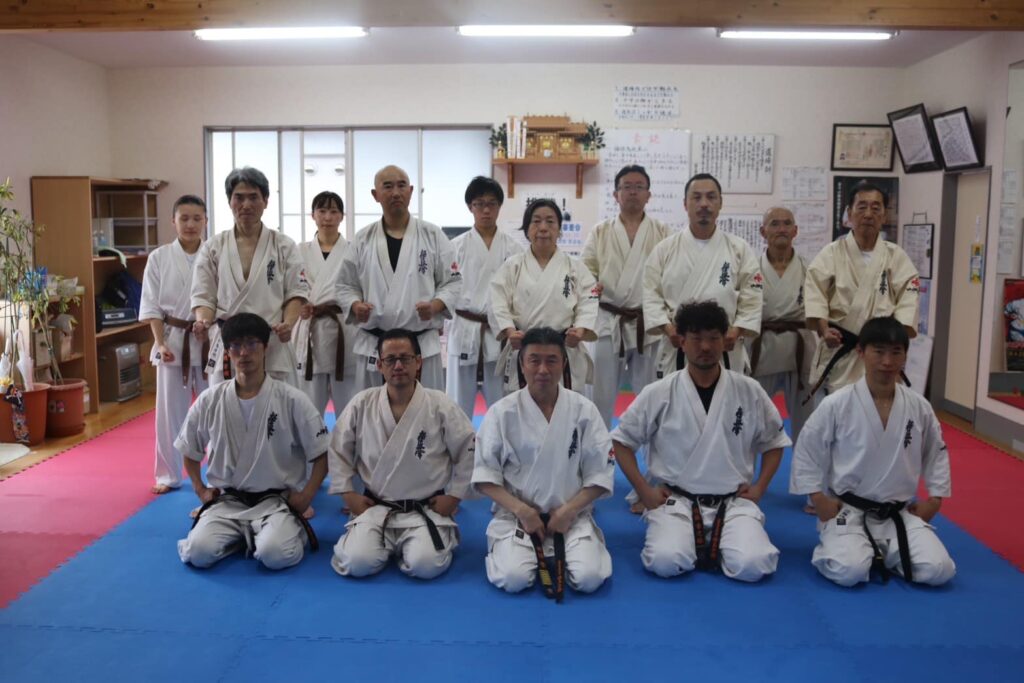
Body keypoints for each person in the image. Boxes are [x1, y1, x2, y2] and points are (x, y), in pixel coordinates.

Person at [612, 301, 791, 582]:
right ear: (681, 342)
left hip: (733, 502)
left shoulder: (749, 390)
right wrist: (644, 491)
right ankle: (699, 542)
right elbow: (622, 442)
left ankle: (717, 542)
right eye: (696, 338)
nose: (705, 347)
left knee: (754, 565)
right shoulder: (659, 392)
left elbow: (775, 442)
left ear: (725, 342)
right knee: (665, 561)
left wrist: (759, 488)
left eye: (713, 338)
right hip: (677, 502)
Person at [790, 316, 955, 587]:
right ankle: (861, 549)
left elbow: (936, 452)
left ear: (905, 355)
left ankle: (877, 551)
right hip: (849, 512)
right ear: (861, 352)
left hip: (899, 514)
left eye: (896, 352)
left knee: (939, 570)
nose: (887, 362)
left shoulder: (919, 406)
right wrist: (818, 498)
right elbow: (808, 448)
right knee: (848, 571)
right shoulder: (837, 403)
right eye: (878, 352)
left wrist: (935, 499)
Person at [175, 313, 329, 570]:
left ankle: (273, 534)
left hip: (275, 503)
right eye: (236, 345)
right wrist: (200, 489)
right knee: (197, 553)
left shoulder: (292, 399)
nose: (244, 352)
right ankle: (243, 537)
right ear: (227, 351)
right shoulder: (210, 399)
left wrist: (307, 496)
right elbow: (189, 449)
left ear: (265, 347)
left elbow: (321, 453)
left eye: (251, 344)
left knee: (274, 555)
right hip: (227, 502)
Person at [473, 327, 615, 599]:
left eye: (551, 361)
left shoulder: (584, 410)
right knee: (513, 579)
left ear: (563, 364)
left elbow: (600, 473)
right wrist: (522, 510)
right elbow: (484, 475)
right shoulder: (501, 413)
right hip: (517, 516)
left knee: (589, 578)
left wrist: (569, 510)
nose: (543, 369)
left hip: (571, 515)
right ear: (522, 365)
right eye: (534, 360)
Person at [328, 329, 476, 579]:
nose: (398, 366)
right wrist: (347, 493)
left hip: (425, 508)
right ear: (379, 365)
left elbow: (468, 449)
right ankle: (387, 543)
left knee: (425, 565)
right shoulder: (362, 403)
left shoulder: (440, 404)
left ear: (418, 362)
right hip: (377, 507)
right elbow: (337, 449)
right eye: (390, 359)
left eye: (405, 358)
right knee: (356, 562)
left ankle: (409, 544)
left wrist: (454, 495)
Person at [337, 165, 462, 393]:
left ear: (411, 191)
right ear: (375, 194)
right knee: (373, 411)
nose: (396, 192)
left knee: (425, 411)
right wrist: (355, 305)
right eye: (388, 186)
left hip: (420, 346)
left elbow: (452, 282)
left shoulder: (433, 235)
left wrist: (435, 306)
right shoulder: (362, 239)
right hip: (375, 347)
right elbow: (345, 284)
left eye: (401, 186)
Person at [191, 167, 309, 387]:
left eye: (253, 197)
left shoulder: (283, 245)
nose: (246, 205)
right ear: (229, 201)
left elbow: (296, 292)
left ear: (265, 201)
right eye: (239, 197)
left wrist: (288, 324)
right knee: (226, 404)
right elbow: (204, 295)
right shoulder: (214, 246)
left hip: (271, 341)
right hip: (230, 343)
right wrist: (203, 321)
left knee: (278, 405)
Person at [804, 181, 920, 397]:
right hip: (840, 347)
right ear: (849, 213)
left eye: (876, 208)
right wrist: (824, 329)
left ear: (884, 215)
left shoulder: (896, 257)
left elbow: (908, 299)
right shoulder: (831, 253)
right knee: (835, 409)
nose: (868, 214)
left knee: (880, 408)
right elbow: (814, 293)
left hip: (880, 353)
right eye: (862, 207)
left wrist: (895, 341)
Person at [643, 173, 763, 377]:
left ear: (720, 203)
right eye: (697, 197)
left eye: (711, 197)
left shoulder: (739, 249)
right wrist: (669, 329)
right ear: (685, 204)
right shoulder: (664, 249)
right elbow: (651, 294)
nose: (704, 204)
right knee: (676, 396)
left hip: (724, 346)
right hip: (679, 345)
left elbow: (752, 295)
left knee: (726, 396)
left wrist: (737, 330)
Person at [582, 165, 670, 426]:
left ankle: (654, 447)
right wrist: (593, 288)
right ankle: (596, 446)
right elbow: (585, 272)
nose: (633, 192)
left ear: (648, 195)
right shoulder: (600, 231)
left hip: (648, 322)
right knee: (600, 393)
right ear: (616, 194)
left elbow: (672, 274)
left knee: (652, 394)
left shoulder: (663, 232)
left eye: (639, 187)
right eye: (627, 187)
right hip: (608, 321)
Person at [490, 199, 599, 394]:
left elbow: (588, 301)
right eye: (536, 221)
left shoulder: (575, 267)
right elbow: (497, 301)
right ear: (527, 229)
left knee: (566, 404)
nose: (543, 228)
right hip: (525, 346)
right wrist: (509, 332)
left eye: (550, 221)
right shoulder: (512, 266)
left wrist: (580, 330)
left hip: (562, 346)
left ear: (559, 229)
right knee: (522, 405)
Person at [140, 195, 210, 494]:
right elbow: (152, 305)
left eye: (197, 218)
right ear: (173, 221)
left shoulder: (214, 254)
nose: (191, 224)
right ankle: (168, 474)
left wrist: (207, 324)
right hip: (172, 340)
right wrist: (159, 343)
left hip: (208, 341)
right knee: (169, 414)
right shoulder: (159, 257)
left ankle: (220, 473)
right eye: (184, 218)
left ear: (206, 221)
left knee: (215, 409)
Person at [445, 176, 523, 418]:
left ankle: (501, 441)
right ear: (471, 207)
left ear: (499, 206)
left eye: (491, 204)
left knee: (503, 404)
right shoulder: (454, 248)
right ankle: (459, 442)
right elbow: (444, 288)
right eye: (479, 204)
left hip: (499, 331)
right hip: (464, 329)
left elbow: (520, 294)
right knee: (457, 404)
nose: (486, 210)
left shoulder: (514, 249)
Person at [745, 206, 817, 442]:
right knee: (753, 418)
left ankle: (805, 466)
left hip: (800, 348)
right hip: (762, 348)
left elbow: (821, 307)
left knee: (807, 422)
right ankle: (747, 465)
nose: (782, 229)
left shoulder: (810, 269)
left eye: (787, 223)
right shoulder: (750, 269)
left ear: (795, 231)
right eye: (774, 224)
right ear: (762, 231)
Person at [292, 191, 358, 418]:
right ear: (313, 215)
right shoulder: (299, 250)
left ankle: (348, 441)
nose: (327, 217)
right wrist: (298, 304)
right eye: (322, 211)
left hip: (343, 329)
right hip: (310, 328)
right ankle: (311, 442)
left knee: (349, 407)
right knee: (308, 408)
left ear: (342, 216)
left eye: (333, 211)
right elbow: (290, 288)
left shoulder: (353, 250)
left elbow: (361, 288)